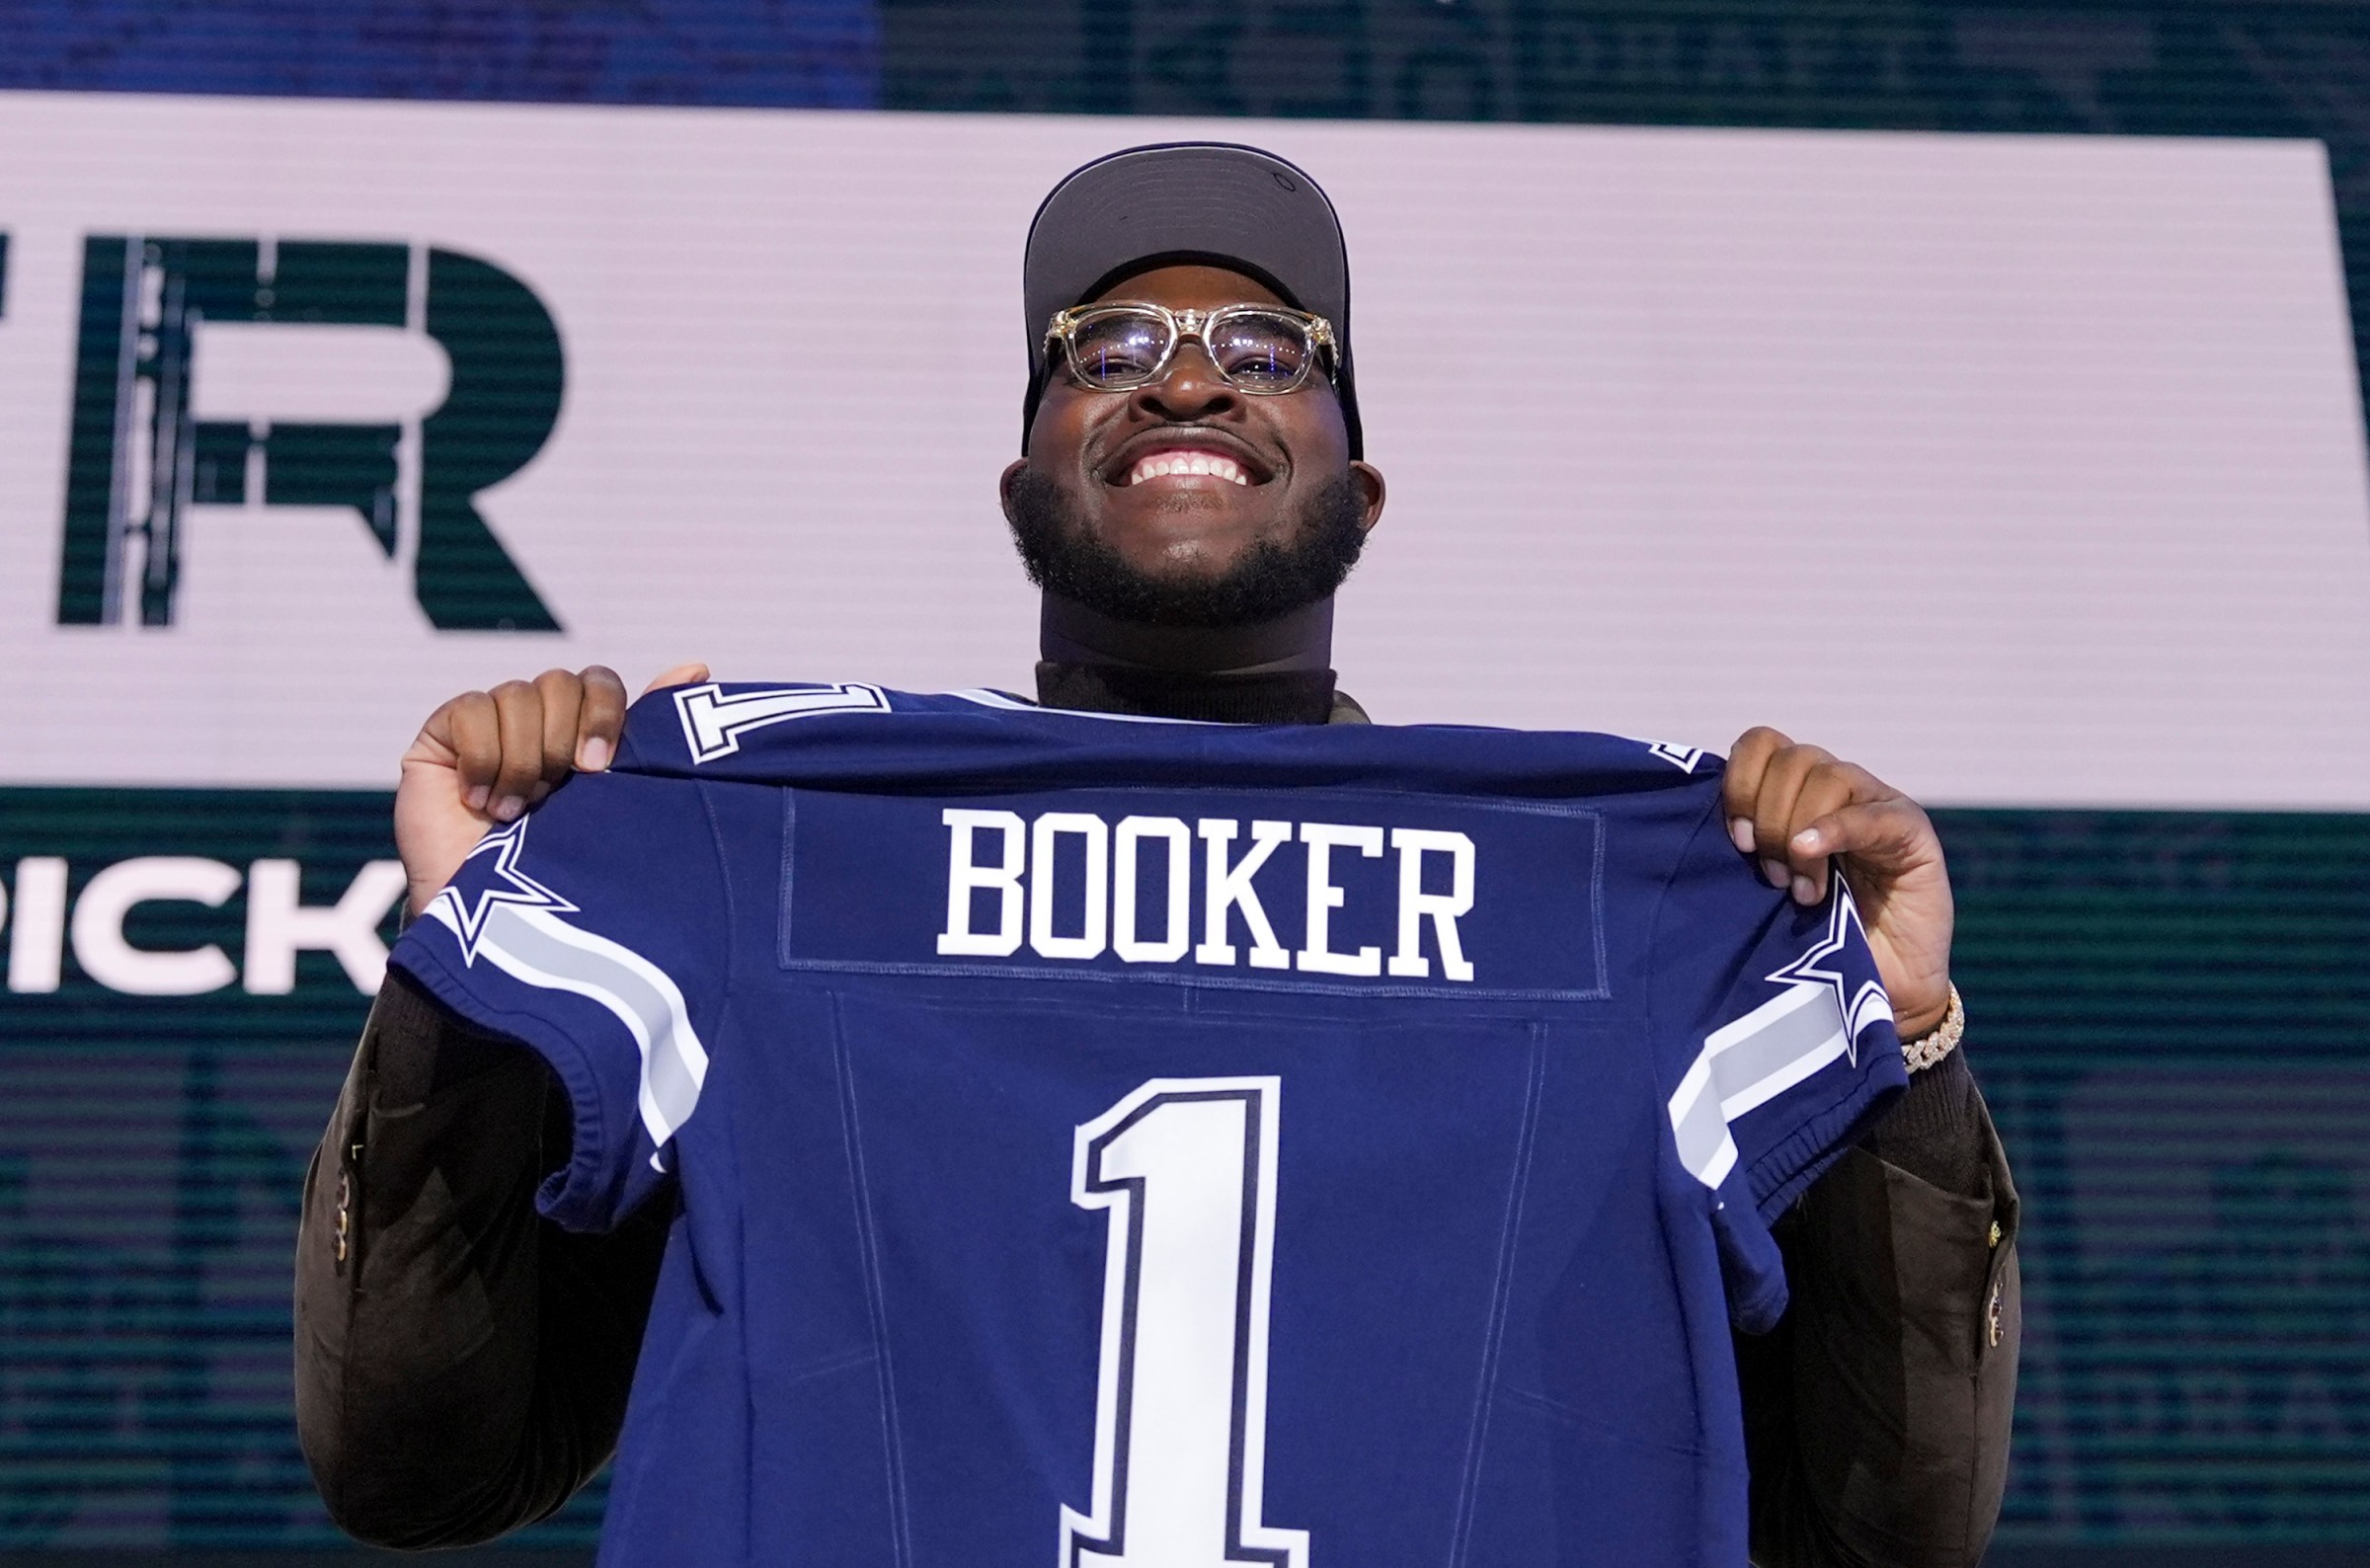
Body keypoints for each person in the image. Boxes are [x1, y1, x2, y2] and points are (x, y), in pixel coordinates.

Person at [295, 142, 2018, 1565]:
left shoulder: (1623, 896)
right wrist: (474, 968)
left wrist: (1903, 1037)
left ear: (1362, 492)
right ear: (1020, 486)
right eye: (1105, 348)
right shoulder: (772, 847)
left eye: (1269, 350)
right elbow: (416, 1469)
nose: (1186, 377)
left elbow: (1892, 1532)